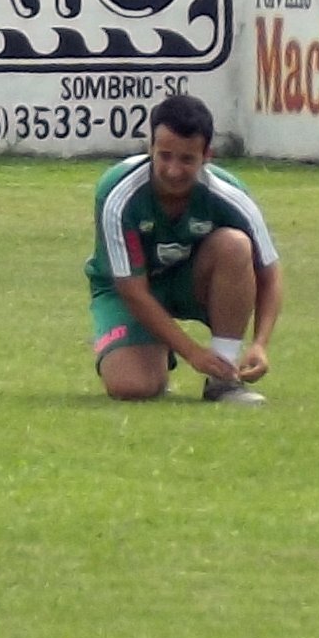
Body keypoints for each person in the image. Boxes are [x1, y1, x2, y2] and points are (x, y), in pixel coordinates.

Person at [88, 92, 283, 404]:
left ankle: (223, 378)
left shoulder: (231, 195)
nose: (174, 170)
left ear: (207, 156)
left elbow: (270, 274)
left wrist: (260, 343)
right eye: (165, 156)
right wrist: (191, 351)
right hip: (127, 288)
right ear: (150, 148)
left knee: (235, 245)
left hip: (189, 280)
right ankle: (154, 347)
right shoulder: (117, 196)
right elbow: (131, 290)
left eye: (187, 159)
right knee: (132, 387)